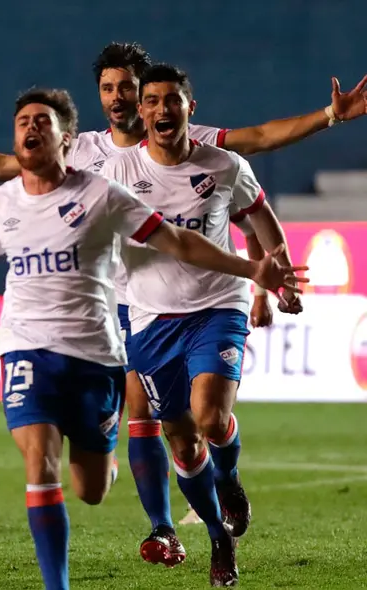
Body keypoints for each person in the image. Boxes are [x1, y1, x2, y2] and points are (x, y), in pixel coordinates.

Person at [0, 40, 366, 566]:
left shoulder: (202, 147)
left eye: (129, 89)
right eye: (110, 89)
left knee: (195, 415)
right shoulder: (88, 153)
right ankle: (164, 527)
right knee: (148, 415)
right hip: (127, 299)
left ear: (154, 96)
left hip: (205, 300)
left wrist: (328, 118)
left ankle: (204, 499)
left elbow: (260, 148)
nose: (122, 98)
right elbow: (7, 166)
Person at [100, 63, 309, 586]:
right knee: (182, 441)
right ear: (142, 112)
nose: (162, 109)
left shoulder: (225, 165)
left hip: (217, 306)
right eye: (152, 101)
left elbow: (260, 219)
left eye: (173, 100)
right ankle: (218, 535)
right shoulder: (119, 172)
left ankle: (230, 478)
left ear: (190, 107)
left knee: (210, 419)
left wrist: (273, 282)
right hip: (150, 320)